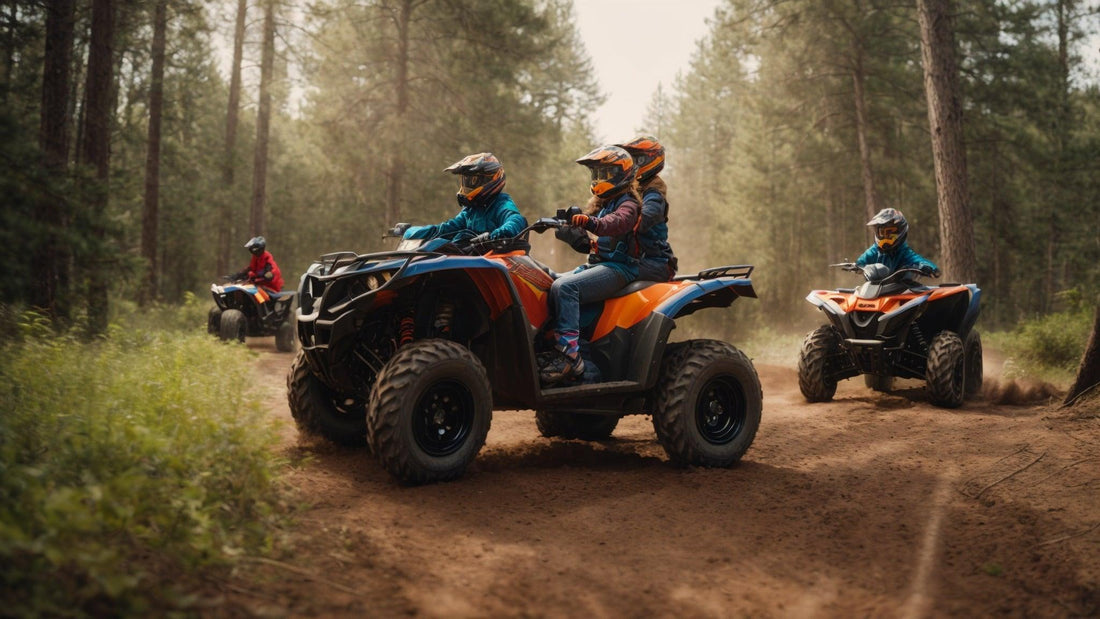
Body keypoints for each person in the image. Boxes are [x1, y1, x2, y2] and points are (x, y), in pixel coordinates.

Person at [542, 145, 642, 386]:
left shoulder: (628, 204)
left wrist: (590, 222)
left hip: (620, 268)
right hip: (600, 264)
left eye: (604, 173)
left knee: (566, 287)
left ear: (621, 174)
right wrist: (566, 227)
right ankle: (576, 359)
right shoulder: (605, 203)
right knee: (547, 280)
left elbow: (616, 222)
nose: (598, 179)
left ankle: (569, 354)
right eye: (596, 174)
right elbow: (594, 228)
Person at [403, 152, 527, 246]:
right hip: (473, 262)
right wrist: (410, 232)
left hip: (497, 262)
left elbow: (516, 220)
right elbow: (444, 230)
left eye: (473, 180)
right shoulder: (470, 211)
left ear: (489, 179)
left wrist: (498, 234)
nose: (467, 186)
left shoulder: (502, 203)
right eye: (465, 180)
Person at [618, 135, 678, 281]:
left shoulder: (654, 192)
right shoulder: (628, 189)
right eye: (630, 160)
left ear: (650, 160)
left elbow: (645, 217)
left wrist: (613, 222)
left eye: (636, 160)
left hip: (653, 261)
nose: (632, 165)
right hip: (631, 259)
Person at [856, 208, 940, 277]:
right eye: (882, 233)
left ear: (900, 231)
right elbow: (862, 261)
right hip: (877, 288)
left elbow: (918, 260)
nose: (885, 236)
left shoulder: (904, 253)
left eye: (889, 232)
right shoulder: (874, 251)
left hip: (902, 289)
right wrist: (856, 266)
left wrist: (929, 268)